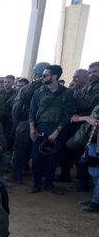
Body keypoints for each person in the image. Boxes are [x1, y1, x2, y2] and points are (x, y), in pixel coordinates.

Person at [29, 64, 74, 195]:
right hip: (39, 127)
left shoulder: (67, 93)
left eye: (45, 75)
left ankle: (49, 184)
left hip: (56, 129)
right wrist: (32, 128)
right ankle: (36, 183)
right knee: (36, 157)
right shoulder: (39, 92)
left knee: (52, 159)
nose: (42, 78)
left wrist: (57, 131)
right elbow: (32, 111)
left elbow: (68, 115)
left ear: (54, 76)